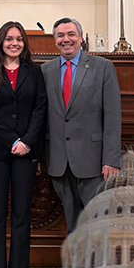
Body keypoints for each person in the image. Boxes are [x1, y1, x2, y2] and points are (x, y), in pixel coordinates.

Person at [0, 21, 47, 268]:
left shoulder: (35, 71)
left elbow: (40, 108)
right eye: (9, 39)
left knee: (21, 216)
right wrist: (12, 140)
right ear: (0, 43)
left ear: (24, 43)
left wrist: (27, 142)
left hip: (27, 153)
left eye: (18, 39)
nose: (14, 43)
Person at [42, 17, 121, 234]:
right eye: (60, 35)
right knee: (73, 224)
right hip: (59, 161)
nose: (66, 39)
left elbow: (112, 116)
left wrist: (111, 159)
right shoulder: (45, 71)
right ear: (54, 40)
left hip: (94, 162)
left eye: (71, 34)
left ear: (81, 38)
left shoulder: (103, 67)